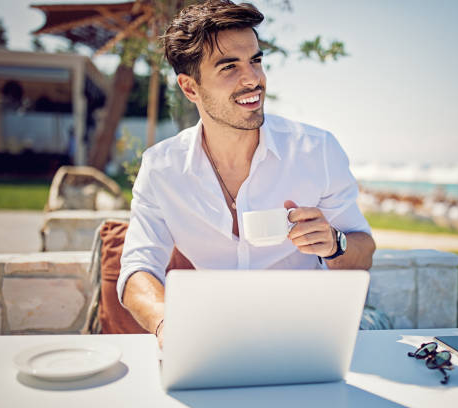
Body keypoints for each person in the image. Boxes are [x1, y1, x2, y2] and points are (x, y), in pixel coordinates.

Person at [119, 0, 376, 348]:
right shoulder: (161, 169)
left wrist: (334, 243)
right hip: (218, 338)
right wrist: (168, 325)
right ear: (190, 88)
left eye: (255, 60)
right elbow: (138, 269)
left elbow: (364, 251)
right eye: (229, 67)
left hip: (308, 332)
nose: (253, 79)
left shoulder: (318, 150)